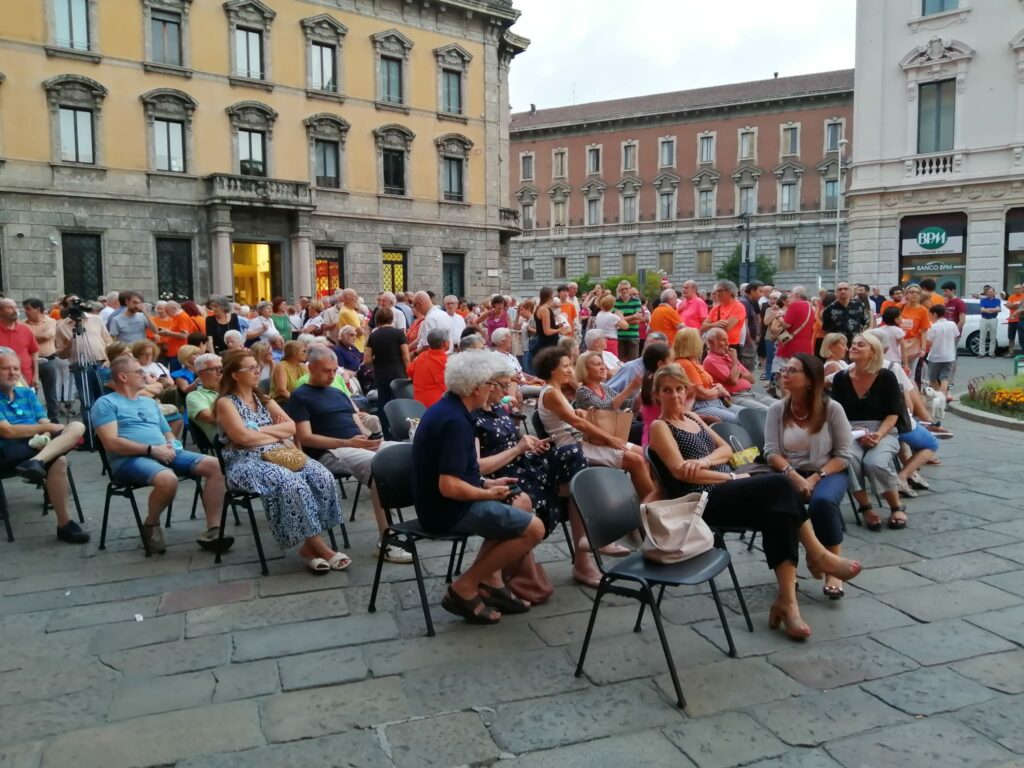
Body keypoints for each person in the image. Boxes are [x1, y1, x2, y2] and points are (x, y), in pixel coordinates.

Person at [648, 364, 861, 640]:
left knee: (780, 512)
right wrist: (729, 479)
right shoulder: (660, 426)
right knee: (782, 483)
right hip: (703, 500)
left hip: (726, 490)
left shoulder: (693, 418)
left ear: (687, 390)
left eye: (679, 389)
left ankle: (788, 603)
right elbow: (680, 471)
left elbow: (725, 448)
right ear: (657, 396)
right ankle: (817, 554)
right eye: (667, 391)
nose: (675, 396)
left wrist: (705, 460)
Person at [412, 350, 546, 623]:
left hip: (445, 502)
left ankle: (490, 583)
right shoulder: (454, 421)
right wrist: (487, 493)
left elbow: (459, 471)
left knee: (519, 502)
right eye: (491, 385)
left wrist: (488, 482)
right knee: (534, 528)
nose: (495, 390)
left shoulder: (452, 409)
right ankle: (465, 586)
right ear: (475, 388)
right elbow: (449, 486)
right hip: (445, 510)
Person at [215, 349, 347, 573]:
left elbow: (291, 427)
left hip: (279, 454)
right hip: (244, 461)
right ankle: (320, 547)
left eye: (257, 367)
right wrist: (275, 432)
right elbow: (241, 438)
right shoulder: (226, 403)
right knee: (289, 482)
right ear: (235, 375)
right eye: (251, 368)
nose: (258, 371)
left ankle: (308, 547)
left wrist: (258, 431)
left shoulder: (262, 398)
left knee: (321, 475)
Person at [473, 355, 591, 596]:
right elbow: (477, 467)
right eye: (503, 385)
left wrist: (529, 444)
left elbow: (512, 442)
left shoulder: (497, 407)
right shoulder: (472, 418)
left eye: (507, 384)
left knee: (574, 455)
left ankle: (584, 550)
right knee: (565, 486)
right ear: (487, 384)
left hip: (523, 463)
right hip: (502, 474)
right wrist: (517, 448)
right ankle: (582, 539)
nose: (508, 390)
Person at [92, 355, 230, 554]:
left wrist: (170, 444)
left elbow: (167, 431)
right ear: (123, 376)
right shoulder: (106, 403)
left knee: (217, 466)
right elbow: (111, 442)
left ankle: (214, 530)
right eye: (139, 372)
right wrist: (150, 450)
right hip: (129, 459)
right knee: (167, 479)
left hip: (162, 452)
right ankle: (151, 524)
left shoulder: (148, 403)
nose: (146, 375)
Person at [286, 345, 411, 564]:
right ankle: (387, 541)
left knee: (410, 453)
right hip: (331, 450)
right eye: (326, 370)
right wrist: (350, 442)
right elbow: (305, 438)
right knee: (382, 467)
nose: (332, 375)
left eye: (334, 370)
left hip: (356, 444)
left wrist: (369, 438)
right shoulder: (300, 396)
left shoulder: (337, 392)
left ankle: (423, 520)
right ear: (311, 367)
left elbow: (355, 422)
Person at [765, 353, 853, 598]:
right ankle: (788, 571)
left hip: (828, 472)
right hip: (787, 473)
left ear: (811, 380)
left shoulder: (832, 409)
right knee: (780, 509)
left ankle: (832, 567)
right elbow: (771, 451)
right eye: (785, 369)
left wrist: (815, 478)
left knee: (823, 502)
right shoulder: (777, 409)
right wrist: (793, 475)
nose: (785, 373)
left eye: (793, 370)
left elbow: (844, 455)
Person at [535, 347, 654, 501]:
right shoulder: (552, 393)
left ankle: (646, 500)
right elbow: (577, 423)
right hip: (573, 446)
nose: (570, 371)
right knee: (636, 460)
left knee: (645, 454)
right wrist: (610, 439)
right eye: (565, 366)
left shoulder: (555, 391)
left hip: (584, 438)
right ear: (552, 370)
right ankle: (652, 508)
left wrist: (580, 414)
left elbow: (574, 419)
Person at [0, 350, 89, 543]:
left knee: (77, 426)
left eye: (16, 368)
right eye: (6, 368)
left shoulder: (26, 393)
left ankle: (63, 524)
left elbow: (43, 418)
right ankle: (65, 524)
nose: (13, 372)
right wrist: (47, 428)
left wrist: (45, 437)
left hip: (37, 448)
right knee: (60, 459)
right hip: (7, 451)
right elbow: (7, 431)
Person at [829, 334, 907, 531]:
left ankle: (896, 506)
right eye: (852, 344)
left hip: (883, 430)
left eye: (860, 345)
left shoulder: (886, 376)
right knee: (850, 459)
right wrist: (855, 433)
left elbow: (893, 414)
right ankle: (865, 508)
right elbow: (838, 414)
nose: (853, 347)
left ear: (873, 351)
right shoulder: (840, 378)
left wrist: (878, 435)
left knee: (875, 462)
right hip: (849, 430)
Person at [672, 327, 739, 424]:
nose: (701, 342)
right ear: (692, 344)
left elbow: (707, 385)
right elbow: (701, 394)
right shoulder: (684, 363)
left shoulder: (693, 361)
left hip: (712, 402)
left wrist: (718, 386)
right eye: (698, 339)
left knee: (747, 415)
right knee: (738, 420)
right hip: (701, 405)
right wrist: (719, 391)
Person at [364, 307, 410, 439]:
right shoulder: (399, 334)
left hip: (381, 374)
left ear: (377, 319)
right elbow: (406, 356)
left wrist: (377, 362)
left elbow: (367, 359)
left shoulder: (374, 335)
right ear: (392, 318)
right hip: (398, 374)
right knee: (399, 402)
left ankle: (386, 432)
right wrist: (409, 372)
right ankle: (401, 431)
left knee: (383, 402)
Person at [702, 327, 774, 409]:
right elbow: (733, 381)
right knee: (767, 410)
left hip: (749, 393)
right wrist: (735, 359)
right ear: (712, 342)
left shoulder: (728, 356)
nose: (727, 343)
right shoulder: (711, 360)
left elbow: (751, 379)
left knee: (780, 406)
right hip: (735, 396)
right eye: (723, 340)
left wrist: (738, 373)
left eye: (727, 339)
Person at [22, 298, 60, 422]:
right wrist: (35, 336)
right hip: (31, 363)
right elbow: (27, 340)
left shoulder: (51, 321)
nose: (25, 312)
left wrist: (31, 336)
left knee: (51, 393)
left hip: (49, 360)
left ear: (38, 309)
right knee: (31, 392)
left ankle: (53, 419)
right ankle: (33, 420)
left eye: (28, 308)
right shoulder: (22, 324)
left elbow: (48, 335)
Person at [637, 341, 672, 446]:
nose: (675, 364)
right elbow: (676, 415)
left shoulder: (648, 377)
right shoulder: (661, 386)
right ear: (660, 364)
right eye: (672, 361)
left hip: (648, 438)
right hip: (661, 441)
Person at [0, 298, 39, 389]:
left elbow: (34, 352)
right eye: (10, 308)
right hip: (3, 383)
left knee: (28, 403)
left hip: (27, 380)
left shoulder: (25, 330)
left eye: (16, 307)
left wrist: (36, 375)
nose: (15, 311)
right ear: (0, 311)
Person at [185, 353, 222, 443]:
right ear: (200, 373)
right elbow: (210, 418)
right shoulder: (195, 396)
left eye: (221, 368)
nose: (219, 372)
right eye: (213, 369)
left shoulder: (233, 390)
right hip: (225, 441)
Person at [407, 328, 448, 408]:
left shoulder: (422, 356)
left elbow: (409, 371)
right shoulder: (447, 361)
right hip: (439, 404)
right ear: (444, 343)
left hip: (418, 404)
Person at [701, 280, 746, 353]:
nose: (717, 294)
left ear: (730, 292)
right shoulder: (716, 308)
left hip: (729, 346)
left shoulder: (738, 307)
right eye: (716, 291)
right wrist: (716, 324)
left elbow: (726, 328)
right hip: (713, 345)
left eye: (719, 291)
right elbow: (703, 327)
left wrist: (709, 326)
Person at [925, 303, 959, 398]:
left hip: (935, 356)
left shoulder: (932, 326)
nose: (930, 317)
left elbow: (929, 341)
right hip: (949, 355)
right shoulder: (952, 324)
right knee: (945, 378)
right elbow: (956, 336)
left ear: (935, 314)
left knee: (932, 379)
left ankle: (938, 397)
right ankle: (943, 397)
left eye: (930, 314)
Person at [899, 285, 932, 378]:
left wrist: (923, 348)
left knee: (909, 373)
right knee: (896, 372)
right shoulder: (899, 307)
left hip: (913, 344)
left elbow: (924, 330)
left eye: (917, 293)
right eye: (912, 292)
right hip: (898, 343)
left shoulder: (923, 310)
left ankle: (909, 391)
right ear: (906, 294)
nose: (915, 294)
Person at [613, 280, 643, 361]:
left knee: (633, 363)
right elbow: (615, 320)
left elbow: (637, 320)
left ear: (630, 289)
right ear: (619, 290)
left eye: (626, 288)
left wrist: (621, 320)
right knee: (620, 362)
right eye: (622, 289)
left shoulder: (636, 301)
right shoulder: (615, 302)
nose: (624, 291)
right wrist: (633, 316)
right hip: (620, 337)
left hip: (633, 337)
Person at [412, 291, 450, 356]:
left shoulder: (430, 318)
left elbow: (427, 345)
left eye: (414, 306)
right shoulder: (444, 314)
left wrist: (414, 355)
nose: (415, 309)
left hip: (434, 358)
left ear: (420, 303)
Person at [979, 286, 1001, 358]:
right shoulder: (983, 300)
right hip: (984, 319)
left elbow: (999, 309)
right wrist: (993, 309)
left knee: (993, 337)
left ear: (994, 293)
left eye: (991, 292)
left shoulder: (997, 300)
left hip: (993, 319)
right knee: (982, 336)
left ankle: (991, 353)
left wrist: (988, 309)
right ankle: (981, 353)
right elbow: (982, 310)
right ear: (986, 293)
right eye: (988, 292)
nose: (990, 293)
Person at [1006, 283, 1024, 356]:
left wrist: (1013, 305)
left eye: (1018, 288)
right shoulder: (1011, 297)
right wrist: (1018, 304)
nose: (1017, 290)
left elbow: (1021, 308)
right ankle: (1011, 352)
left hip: (1021, 319)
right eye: (1015, 288)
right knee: (1011, 337)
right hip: (1012, 320)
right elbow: (1008, 305)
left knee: (1022, 338)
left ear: (1022, 289)